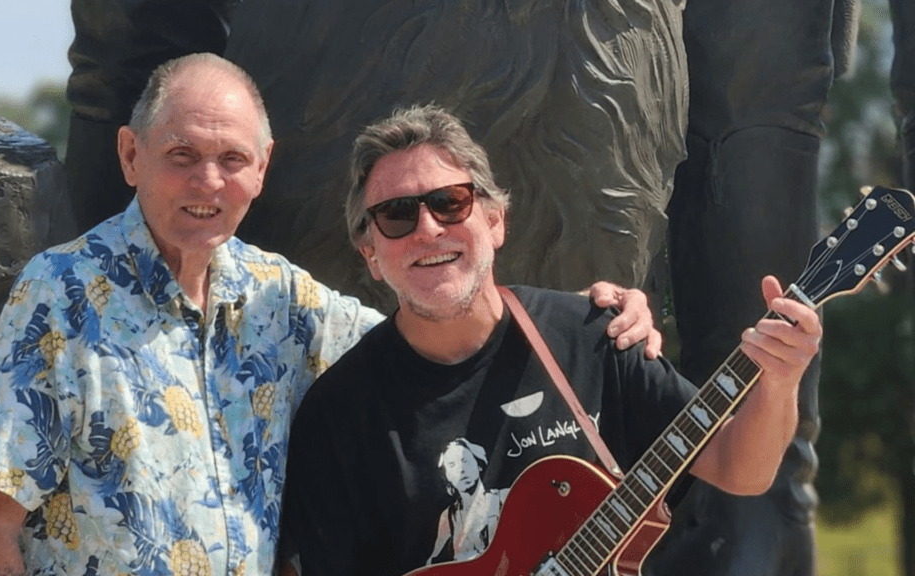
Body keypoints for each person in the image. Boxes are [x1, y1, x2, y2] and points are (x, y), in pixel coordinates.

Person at [0, 55, 659, 576]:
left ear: (262, 169)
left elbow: (434, 317)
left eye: (232, 158)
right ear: (131, 155)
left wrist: (595, 319)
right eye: (182, 155)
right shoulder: (61, 294)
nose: (208, 182)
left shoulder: (283, 299)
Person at [279, 104, 823, 576]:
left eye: (450, 202)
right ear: (370, 253)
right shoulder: (339, 415)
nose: (427, 228)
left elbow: (741, 469)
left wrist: (782, 376)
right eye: (396, 214)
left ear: (495, 221)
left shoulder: (595, 333)